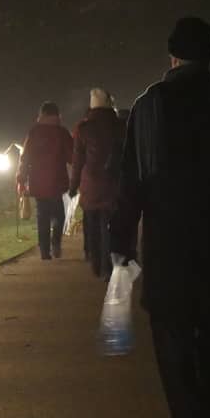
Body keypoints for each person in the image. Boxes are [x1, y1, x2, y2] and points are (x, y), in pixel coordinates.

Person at [113, 17, 210, 418]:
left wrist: (121, 236)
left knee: (172, 322)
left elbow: (132, 179)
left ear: (172, 55)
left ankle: (187, 417)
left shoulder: (149, 105)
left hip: (167, 232)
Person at [69, 88, 125, 279]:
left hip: (90, 182)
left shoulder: (83, 128)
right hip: (113, 182)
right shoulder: (119, 126)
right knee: (109, 225)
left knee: (92, 225)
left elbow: (77, 162)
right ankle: (108, 266)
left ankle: (95, 264)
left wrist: (73, 185)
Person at [17, 101, 74, 260]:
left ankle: (44, 251)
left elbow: (25, 158)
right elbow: (72, 156)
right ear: (57, 115)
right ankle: (55, 241)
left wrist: (21, 178)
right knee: (59, 215)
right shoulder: (62, 133)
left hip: (38, 181)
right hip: (57, 181)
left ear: (41, 115)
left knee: (42, 216)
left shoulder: (34, 133)